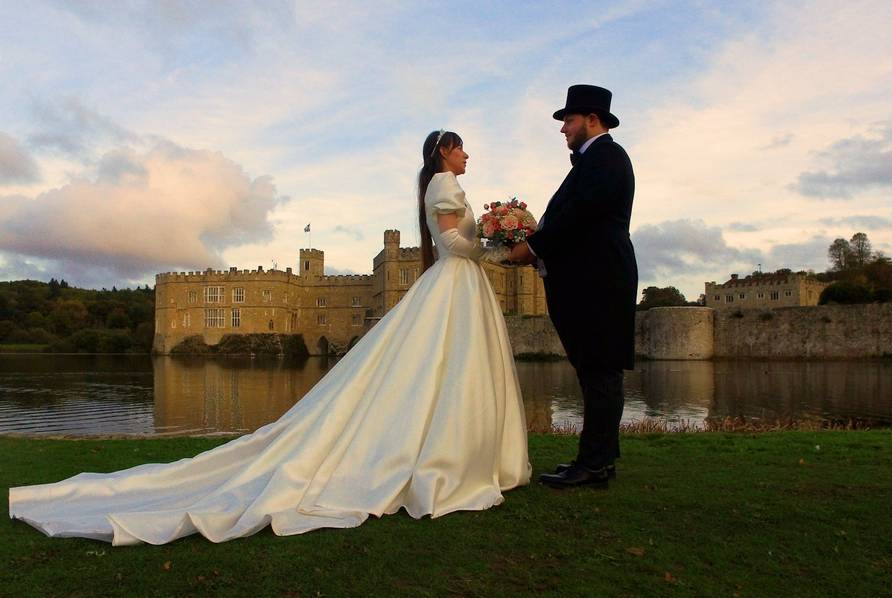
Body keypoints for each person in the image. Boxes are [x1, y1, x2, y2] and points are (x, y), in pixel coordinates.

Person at [9, 130, 531, 545]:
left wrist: (493, 244)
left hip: (459, 286)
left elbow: (453, 243)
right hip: (457, 282)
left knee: (441, 370)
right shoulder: (443, 185)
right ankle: (445, 461)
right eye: (462, 148)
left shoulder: (446, 188)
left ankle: (447, 453)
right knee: (449, 369)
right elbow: (451, 243)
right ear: (444, 150)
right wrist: (493, 242)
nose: (468, 156)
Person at [509, 85, 637, 489]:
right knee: (592, 372)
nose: (563, 128)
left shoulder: (607, 158)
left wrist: (532, 247)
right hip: (588, 282)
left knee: (600, 371)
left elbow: (579, 215)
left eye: (568, 120)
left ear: (592, 120)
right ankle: (596, 459)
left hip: (598, 282)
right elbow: (568, 215)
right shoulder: (592, 161)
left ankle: (595, 464)